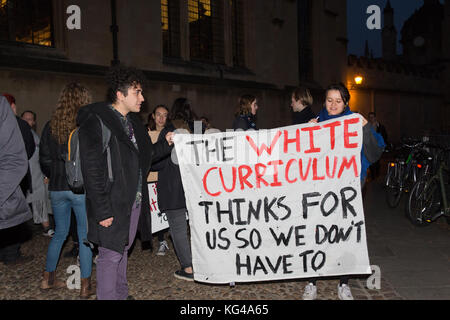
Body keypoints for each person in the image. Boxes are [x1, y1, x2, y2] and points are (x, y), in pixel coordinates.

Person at [77, 65, 174, 300]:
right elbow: (92, 169)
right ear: (120, 95)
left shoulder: (132, 123)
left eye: (142, 92)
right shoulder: (97, 121)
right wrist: (102, 210)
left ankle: (121, 294)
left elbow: (146, 154)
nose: (142, 98)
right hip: (111, 202)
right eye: (137, 92)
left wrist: (167, 142)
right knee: (110, 256)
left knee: (122, 250)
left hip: (133, 201)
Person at [305, 83, 385, 300]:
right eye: (329, 100)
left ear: (346, 103)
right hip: (320, 189)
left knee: (346, 234)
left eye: (338, 101)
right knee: (317, 233)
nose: (333, 105)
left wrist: (367, 127)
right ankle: (312, 280)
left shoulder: (355, 123)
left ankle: (343, 283)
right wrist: (306, 133)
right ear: (324, 102)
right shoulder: (316, 123)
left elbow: (375, 152)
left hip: (349, 189)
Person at [39, 83, 95, 298]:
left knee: (59, 233)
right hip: (80, 188)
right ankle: (85, 286)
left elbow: (43, 158)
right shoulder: (86, 126)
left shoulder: (50, 126)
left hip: (57, 187)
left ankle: (47, 279)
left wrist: (53, 174)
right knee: (84, 235)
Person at [152, 97, 198, 281]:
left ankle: (188, 268)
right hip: (194, 187)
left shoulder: (170, 132)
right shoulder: (197, 129)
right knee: (195, 228)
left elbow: (158, 162)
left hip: (174, 188)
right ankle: (203, 262)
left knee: (178, 229)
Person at [0, 96, 34, 266]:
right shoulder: (20, 126)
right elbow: (27, 152)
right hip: (12, 180)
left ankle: (10, 254)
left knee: (10, 216)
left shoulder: (15, 123)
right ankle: (11, 255)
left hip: (9, 181)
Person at [21, 110, 54, 237]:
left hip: (37, 174)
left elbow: (42, 155)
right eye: (24, 118)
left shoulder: (35, 135)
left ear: (34, 122)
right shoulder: (17, 134)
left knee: (40, 199)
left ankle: (45, 227)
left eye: (30, 119)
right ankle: (45, 227)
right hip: (26, 175)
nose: (27, 121)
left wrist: (46, 174)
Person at [146, 105, 170, 256]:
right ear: (153, 116)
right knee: (150, 210)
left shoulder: (170, 134)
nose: (161, 118)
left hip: (163, 177)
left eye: (165, 115)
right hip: (149, 178)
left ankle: (162, 240)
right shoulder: (145, 133)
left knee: (160, 209)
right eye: (158, 115)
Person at [368, 112, 388, 180]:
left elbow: (385, 137)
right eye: (370, 117)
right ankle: (373, 177)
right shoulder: (367, 127)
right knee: (371, 163)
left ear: (375, 118)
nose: (371, 119)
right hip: (370, 148)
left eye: (372, 117)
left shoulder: (381, 127)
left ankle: (377, 176)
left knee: (377, 163)